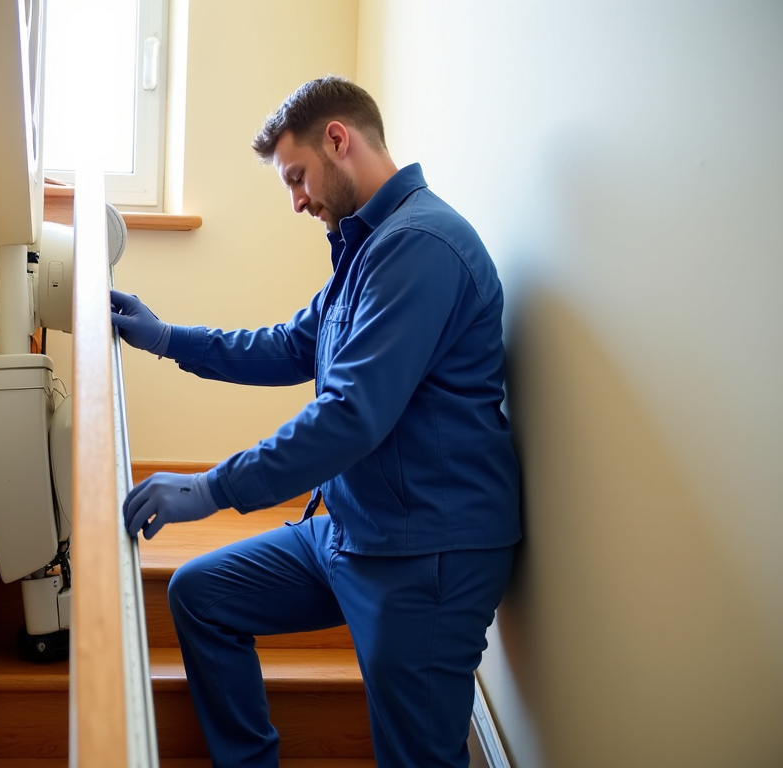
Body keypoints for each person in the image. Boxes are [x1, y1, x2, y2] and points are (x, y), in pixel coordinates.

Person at [110, 76, 521, 768]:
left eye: (296, 177)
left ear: (338, 139)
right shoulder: (369, 246)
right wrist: (169, 339)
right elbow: (291, 345)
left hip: (425, 552)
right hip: (353, 532)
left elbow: (350, 417)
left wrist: (211, 489)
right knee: (201, 594)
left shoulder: (421, 245)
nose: (297, 201)